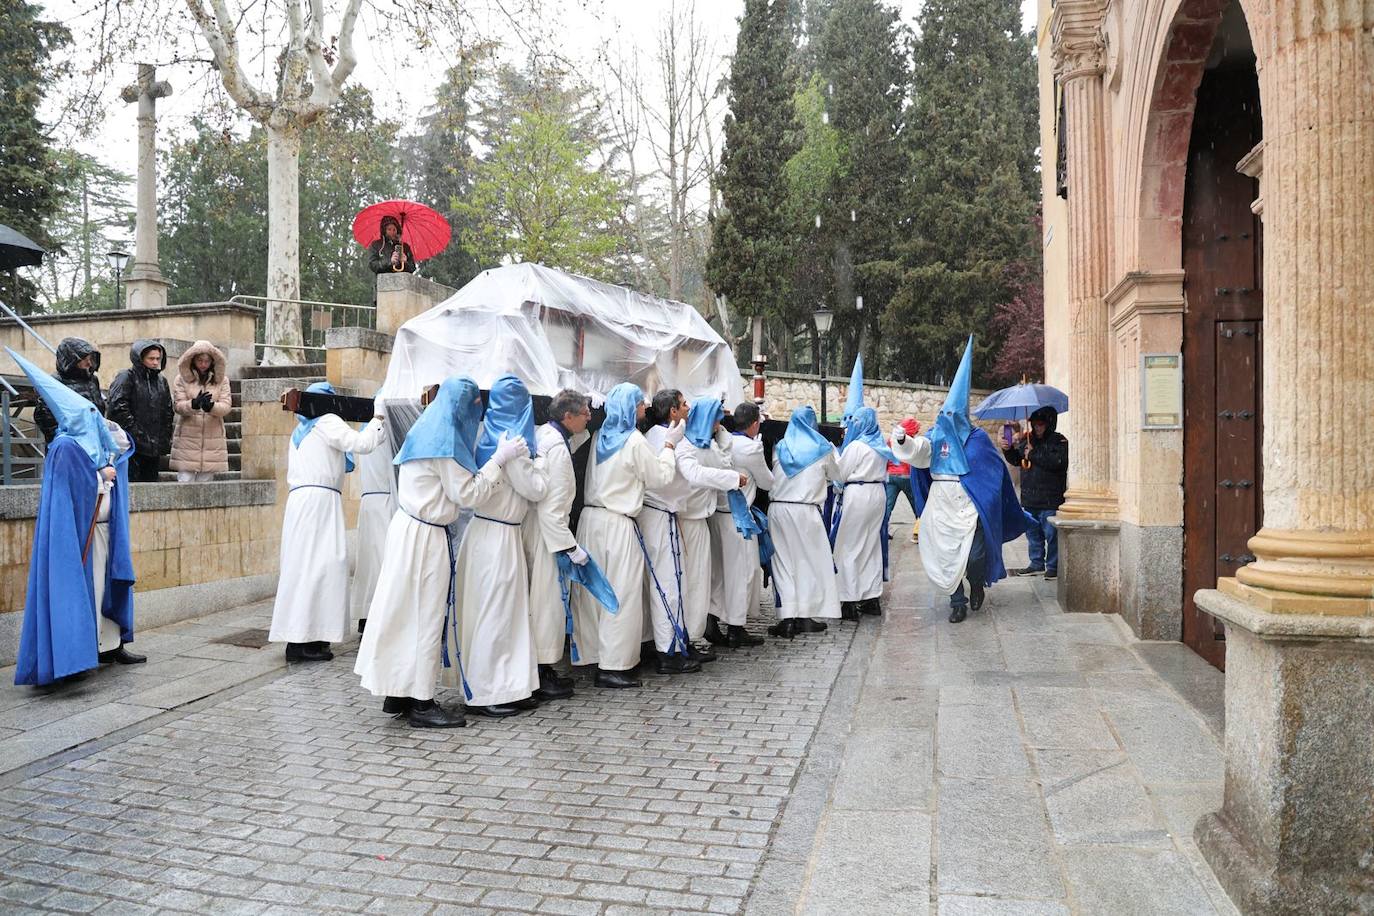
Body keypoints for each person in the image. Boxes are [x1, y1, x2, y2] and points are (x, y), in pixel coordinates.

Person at [355, 376, 524, 728]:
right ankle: (421, 701)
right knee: (425, 616)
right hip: (425, 538)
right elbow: (469, 495)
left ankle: (398, 691)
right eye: (474, 405)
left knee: (403, 613)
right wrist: (499, 460)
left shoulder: (426, 427)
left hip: (409, 531)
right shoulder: (445, 440)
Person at [10, 348, 141, 686]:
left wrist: (111, 446)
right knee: (84, 591)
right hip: (79, 532)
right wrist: (101, 477)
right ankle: (77, 655)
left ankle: (110, 647)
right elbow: (73, 488)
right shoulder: (65, 446)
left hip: (105, 529)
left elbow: (122, 446)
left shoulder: (93, 440)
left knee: (103, 591)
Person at [891, 336, 1027, 623]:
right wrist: (902, 440)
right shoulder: (935, 435)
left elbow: (993, 473)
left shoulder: (977, 440)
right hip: (942, 504)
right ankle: (957, 602)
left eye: (954, 413)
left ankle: (976, 582)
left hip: (969, 506)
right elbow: (919, 452)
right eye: (946, 412)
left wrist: (986, 501)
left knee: (975, 555)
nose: (948, 417)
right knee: (946, 554)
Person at [449, 374, 547, 717]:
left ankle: (506, 686)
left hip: (489, 535)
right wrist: (544, 462)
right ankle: (487, 691)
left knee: (498, 613)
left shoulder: (489, 433)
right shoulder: (513, 443)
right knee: (497, 614)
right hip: (499, 538)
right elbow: (535, 489)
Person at [269, 382, 387, 661]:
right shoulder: (327, 421)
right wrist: (378, 419)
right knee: (322, 567)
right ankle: (303, 641)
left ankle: (307, 637)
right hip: (319, 504)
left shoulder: (301, 429)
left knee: (305, 568)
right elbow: (362, 444)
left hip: (302, 504)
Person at [572, 383, 678, 688]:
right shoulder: (633, 440)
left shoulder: (597, 437)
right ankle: (615, 665)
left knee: (593, 592)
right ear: (630, 409)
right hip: (618, 524)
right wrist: (670, 446)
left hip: (591, 521)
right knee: (622, 593)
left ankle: (593, 654)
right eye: (640, 405)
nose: (644, 410)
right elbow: (660, 477)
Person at [522, 388, 593, 702]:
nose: (589, 417)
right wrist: (568, 546)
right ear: (568, 417)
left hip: (540, 531)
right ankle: (542, 669)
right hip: (549, 536)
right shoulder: (557, 449)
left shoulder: (548, 436)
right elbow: (554, 505)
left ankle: (542, 666)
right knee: (547, 603)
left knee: (542, 602)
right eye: (585, 413)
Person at [678, 396, 752, 653]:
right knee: (696, 581)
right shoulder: (689, 446)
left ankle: (696, 633)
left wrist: (720, 433)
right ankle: (690, 637)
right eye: (716, 419)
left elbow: (723, 459)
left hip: (701, 519)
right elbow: (702, 473)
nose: (719, 423)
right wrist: (732, 478)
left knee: (704, 579)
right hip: (691, 521)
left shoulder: (707, 444)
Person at [637, 389, 701, 675]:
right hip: (661, 516)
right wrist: (731, 479)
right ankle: (669, 652)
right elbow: (694, 474)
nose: (688, 407)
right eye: (683, 404)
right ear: (673, 412)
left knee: (661, 583)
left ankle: (662, 644)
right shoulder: (669, 439)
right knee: (669, 585)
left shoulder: (649, 435)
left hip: (652, 515)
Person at [767, 406, 842, 638]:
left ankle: (787, 618)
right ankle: (805, 616)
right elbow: (837, 475)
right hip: (807, 512)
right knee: (808, 563)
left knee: (783, 563)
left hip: (778, 509)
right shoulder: (823, 448)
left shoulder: (780, 447)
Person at [705, 401, 772, 648]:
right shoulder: (750, 448)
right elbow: (767, 482)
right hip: (739, 518)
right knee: (744, 572)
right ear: (754, 424)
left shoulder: (719, 442)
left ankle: (711, 620)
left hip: (715, 514)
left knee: (718, 572)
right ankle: (735, 626)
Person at [833, 406, 897, 619]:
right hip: (877, 493)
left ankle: (849, 600)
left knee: (849, 546)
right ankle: (871, 597)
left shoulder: (856, 446)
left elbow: (840, 473)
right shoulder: (880, 445)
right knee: (870, 545)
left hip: (858, 493)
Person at [1004, 406, 1068, 580]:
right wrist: (1008, 449)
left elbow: (1058, 462)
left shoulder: (1059, 441)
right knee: (1033, 534)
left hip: (1050, 498)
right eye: (1034, 424)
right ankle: (1036, 563)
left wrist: (1034, 454)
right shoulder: (1027, 440)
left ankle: (1053, 566)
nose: (1037, 427)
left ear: (1049, 424)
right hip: (1030, 497)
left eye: (1041, 424)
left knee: (1051, 535)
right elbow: (1017, 460)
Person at [351, 403, 398, 635]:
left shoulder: (366, 428)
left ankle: (366, 615)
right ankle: (378, 617)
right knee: (382, 562)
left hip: (369, 500)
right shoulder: (385, 429)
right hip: (385, 501)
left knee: (369, 564)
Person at [107, 340, 173, 483]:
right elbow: (118, 407)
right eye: (151, 358)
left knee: (150, 483)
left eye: (158, 359)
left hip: (154, 446)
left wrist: (164, 438)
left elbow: (167, 411)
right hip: (131, 445)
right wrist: (136, 434)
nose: (155, 362)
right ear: (140, 358)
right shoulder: (126, 377)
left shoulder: (162, 381)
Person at [169, 340, 232, 483]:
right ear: (192, 360)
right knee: (185, 480)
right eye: (199, 360)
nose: (203, 364)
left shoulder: (222, 381)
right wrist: (194, 404)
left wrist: (211, 407)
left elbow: (226, 405)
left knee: (206, 482)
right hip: (188, 437)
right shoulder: (182, 380)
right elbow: (178, 405)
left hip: (212, 436)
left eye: (207, 361)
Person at [34, 337, 105, 444]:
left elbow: (98, 409)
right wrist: (64, 438)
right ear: (72, 360)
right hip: (71, 446)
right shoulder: (54, 382)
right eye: (84, 359)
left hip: (95, 442)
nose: (89, 363)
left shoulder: (92, 380)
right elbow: (43, 416)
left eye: (90, 359)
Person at [885, 417, 921, 545]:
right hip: (907, 476)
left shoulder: (890, 440)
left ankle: (883, 531)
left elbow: (886, 457)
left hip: (891, 475)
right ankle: (918, 533)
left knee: (888, 505)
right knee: (917, 504)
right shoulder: (912, 442)